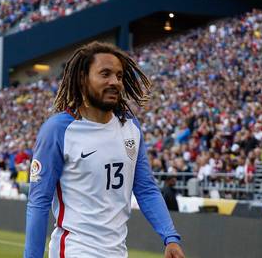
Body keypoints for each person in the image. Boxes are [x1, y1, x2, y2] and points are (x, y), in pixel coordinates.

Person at [24, 42, 184, 258]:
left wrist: (170, 237)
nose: (115, 82)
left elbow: (146, 188)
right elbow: (39, 202)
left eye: (119, 76)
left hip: (117, 252)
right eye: (105, 74)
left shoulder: (130, 127)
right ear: (83, 78)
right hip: (74, 250)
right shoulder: (58, 130)